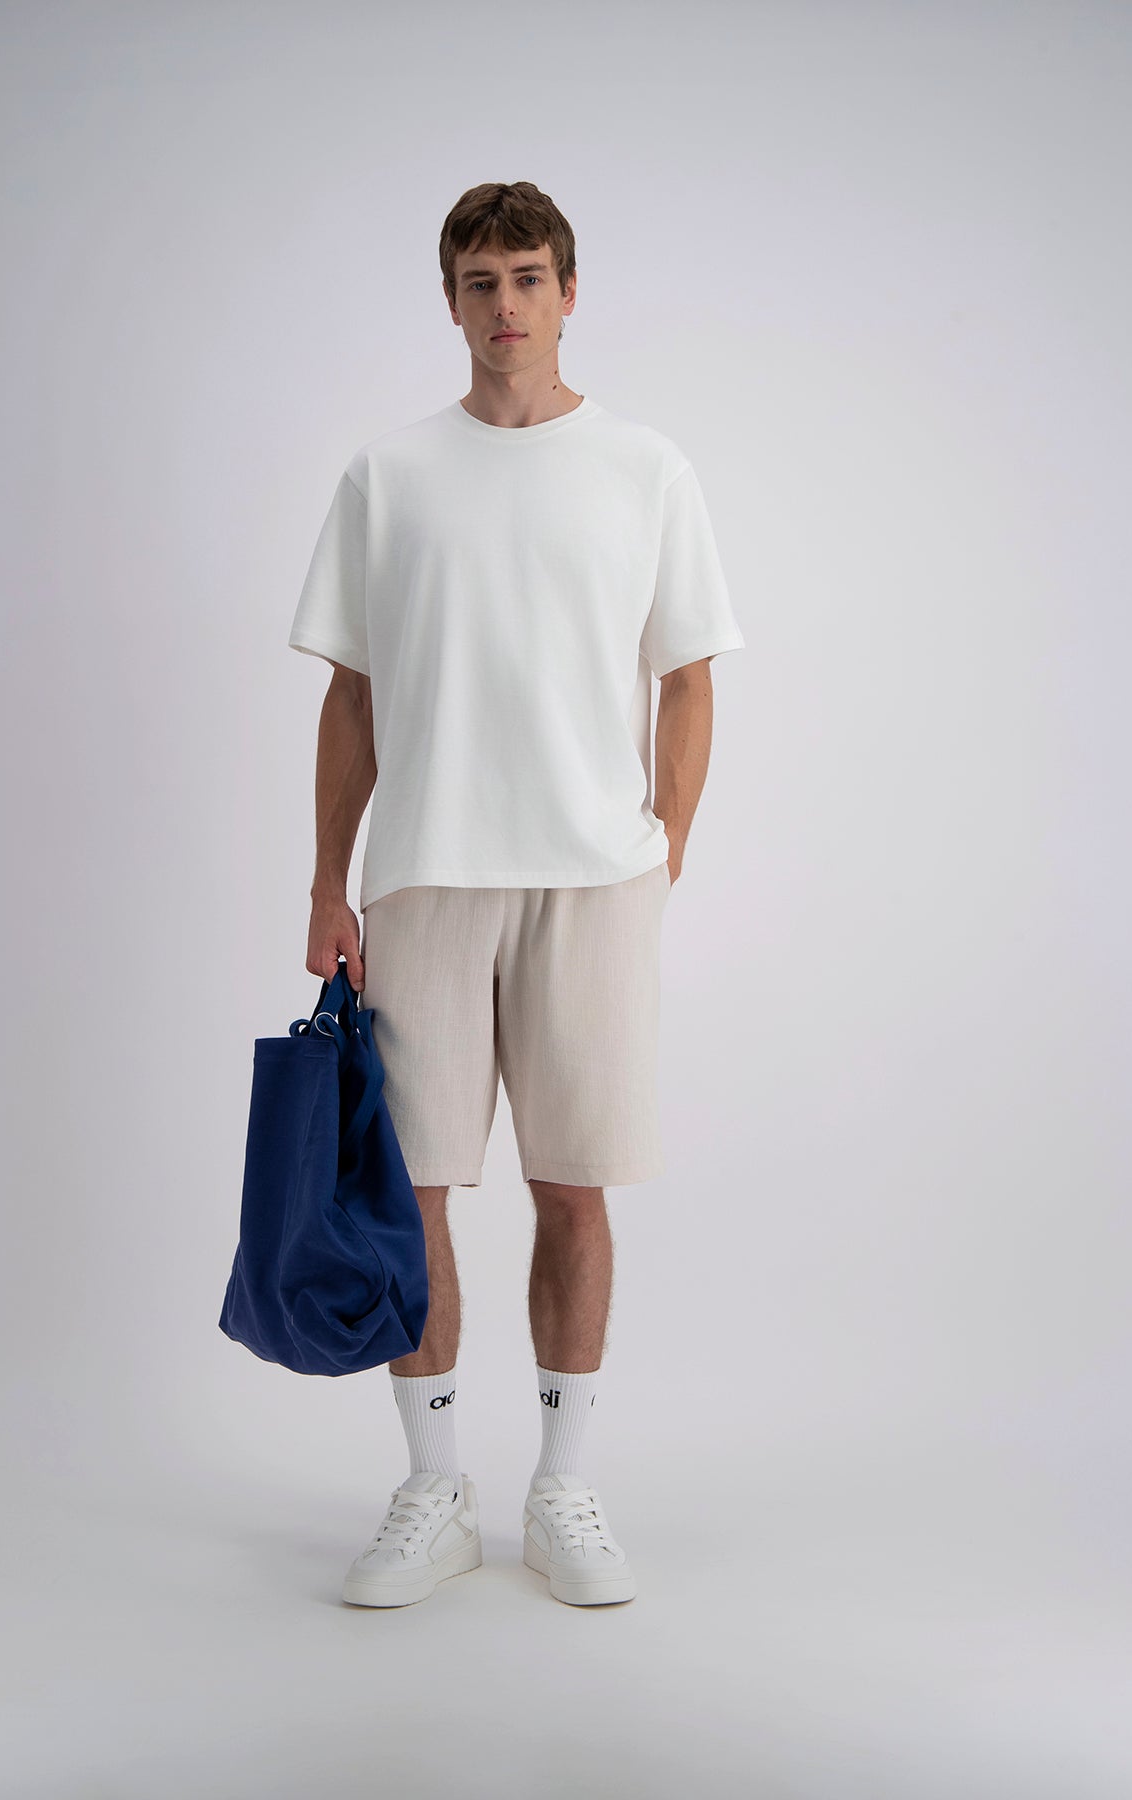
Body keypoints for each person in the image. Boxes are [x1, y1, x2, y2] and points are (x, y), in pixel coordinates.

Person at [288, 180, 745, 1609]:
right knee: (410, 1192)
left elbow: (689, 675)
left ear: (568, 293)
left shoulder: (645, 468)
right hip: (425, 873)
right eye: (481, 282)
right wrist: (327, 881)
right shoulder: (389, 476)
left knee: (573, 1185)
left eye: (529, 278)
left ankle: (563, 1489)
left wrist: (666, 841)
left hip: (591, 879)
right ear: (450, 300)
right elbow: (353, 696)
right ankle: (434, 1489)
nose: (506, 307)